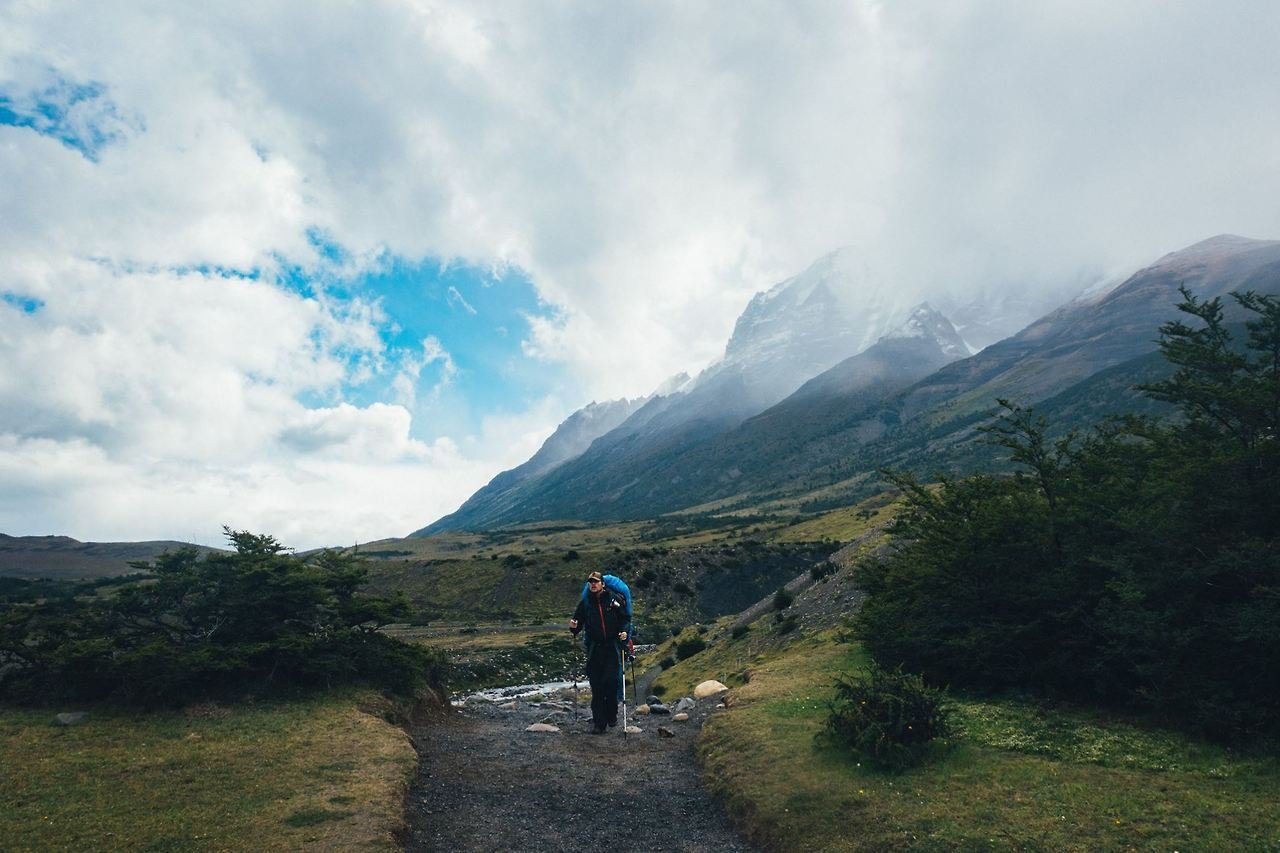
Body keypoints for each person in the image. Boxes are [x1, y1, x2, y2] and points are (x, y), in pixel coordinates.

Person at [569, 571, 631, 734]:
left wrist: (623, 632)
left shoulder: (613, 600)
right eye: (591, 582)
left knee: (611, 682)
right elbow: (577, 623)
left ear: (602, 584)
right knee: (596, 687)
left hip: (611, 647)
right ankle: (599, 723)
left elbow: (625, 619)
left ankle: (611, 714)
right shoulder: (585, 604)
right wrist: (573, 627)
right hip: (594, 649)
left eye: (596, 582)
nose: (593, 584)